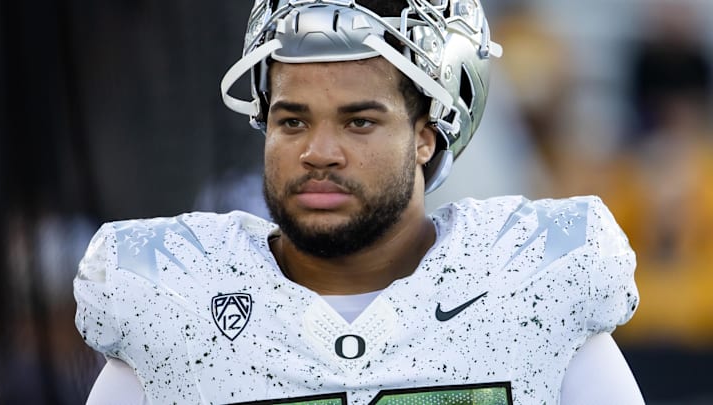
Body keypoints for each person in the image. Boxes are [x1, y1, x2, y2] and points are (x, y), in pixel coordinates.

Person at [74, 1, 644, 404]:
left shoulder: (535, 288)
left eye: (360, 122)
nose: (319, 153)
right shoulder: (172, 302)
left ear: (427, 133)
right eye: (292, 120)